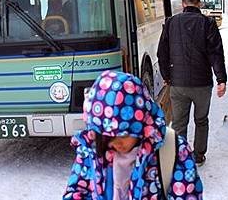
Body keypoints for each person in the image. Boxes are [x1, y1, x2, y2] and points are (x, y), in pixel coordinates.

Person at [63, 71, 203, 200]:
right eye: (107, 136)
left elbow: (187, 194)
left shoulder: (174, 150)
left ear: (141, 124)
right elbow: (76, 191)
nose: (114, 143)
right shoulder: (90, 151)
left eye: (123, 135)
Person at [156, 0, 226, 166]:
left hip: (178, 84)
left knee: (179, 123)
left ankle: (180, 157)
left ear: (183, 3)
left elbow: (162, 53)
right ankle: (199, 155)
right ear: (199, 3)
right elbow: (216, 53)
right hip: (202, 83)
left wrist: (166, 76)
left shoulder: (171, 23)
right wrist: (221, 79)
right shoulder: (208, 23)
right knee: (201, 120)